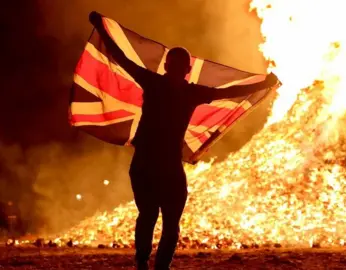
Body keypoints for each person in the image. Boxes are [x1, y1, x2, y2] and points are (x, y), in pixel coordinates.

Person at [89, 11, 278, 270]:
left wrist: (101, 28)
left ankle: (143, 263)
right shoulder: (190, 92)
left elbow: (122, 58)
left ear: (167, 66)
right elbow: (230, 92)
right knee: (167, 221)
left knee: (149, 216)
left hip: (146, 164)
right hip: (163, 166)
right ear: (186, 70)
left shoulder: (156, 83)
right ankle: (156, 266)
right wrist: (263, 83)